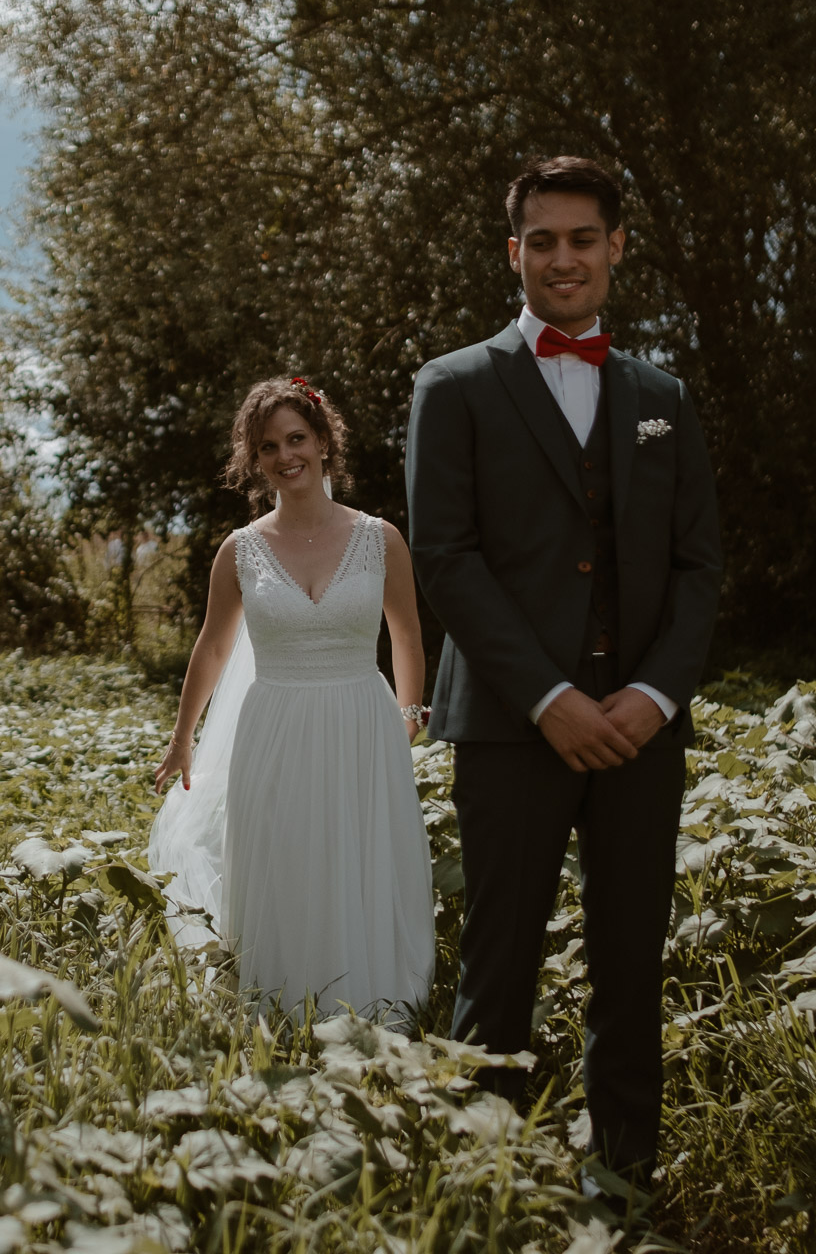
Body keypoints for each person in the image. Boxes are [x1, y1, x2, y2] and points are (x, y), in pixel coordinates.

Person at [405, 156, 722, 1196]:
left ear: (615, 245)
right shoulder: (450, 385)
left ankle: (623, 1177)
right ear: (513, 253)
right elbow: (443, 558)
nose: (562, 257)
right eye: (540, 240)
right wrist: (550, 698)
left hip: (641, 729)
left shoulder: (662, 398)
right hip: (509, 724)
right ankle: (480, 1178)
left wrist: (649, 696)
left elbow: (695, 568)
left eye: (581, 237)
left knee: (629, 959)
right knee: (497, 961)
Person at [148, 377, 436, 1023]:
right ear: (255, 458)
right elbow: (213, 650)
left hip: (363, 721)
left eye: (296, 438)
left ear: (325, 440)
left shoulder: (380, 537)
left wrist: (408, 718)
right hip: (274, 724)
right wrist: (181, 737)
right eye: (268, 445)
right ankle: (282, 1001)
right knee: (286, 859)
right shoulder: (240, 550)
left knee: (360, 857)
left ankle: (373, 1001)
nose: (285, 456)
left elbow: (408, 636)